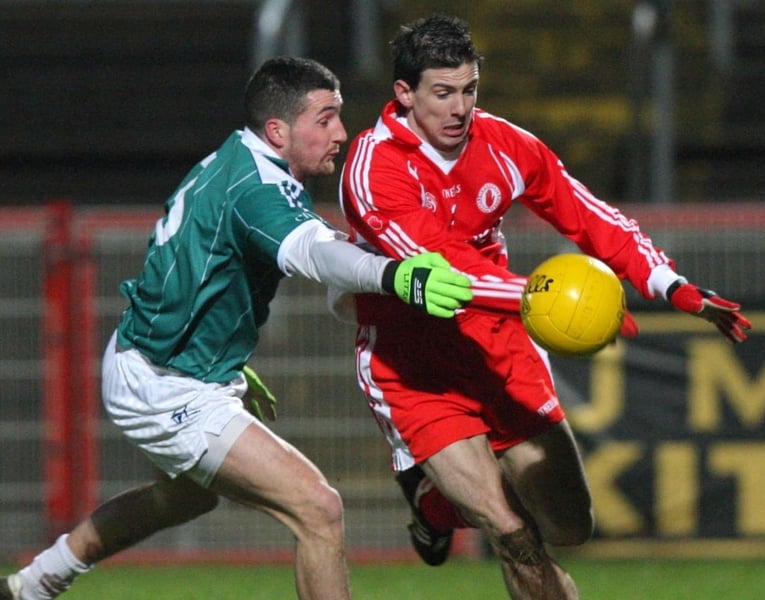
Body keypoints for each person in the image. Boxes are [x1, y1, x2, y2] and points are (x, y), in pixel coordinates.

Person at [0, 56, 473, 600]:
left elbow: (188, 258)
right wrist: (396, 276)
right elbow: (317, 254)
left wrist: (218, 350)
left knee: (184, 497)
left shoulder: (235, 160)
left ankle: (33, 584)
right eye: (324, 120)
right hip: (167, 383)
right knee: (318, 508)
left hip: (165, 360)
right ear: (278, 131)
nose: (341, 133)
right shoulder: (257, 188)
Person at [332, 15, 751, 599]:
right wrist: (548, 299)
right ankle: (453, 495)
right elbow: (447, 270)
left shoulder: (503, 143)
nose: (460, 109)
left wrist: (670, 284)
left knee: (570, 526)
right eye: (443, 93)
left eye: (469, 90)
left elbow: (588, 214)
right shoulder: (373, 167)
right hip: (414, 363)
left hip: (500, 345)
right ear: (404, 93)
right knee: (514, 532)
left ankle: (435, 505)